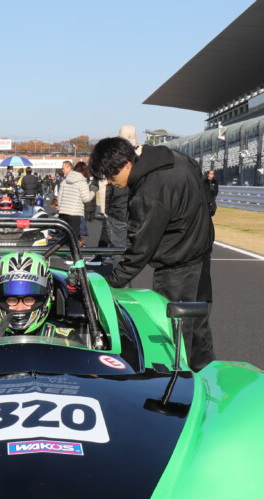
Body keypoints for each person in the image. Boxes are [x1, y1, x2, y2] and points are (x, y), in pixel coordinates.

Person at [89, 135, 216, 371]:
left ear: (125, 164)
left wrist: (110, 282)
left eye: (111, 176)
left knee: (175, 336)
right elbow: (207, 192)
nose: (111, 182)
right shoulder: (175, 158)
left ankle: (180, 384)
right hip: (200, 253)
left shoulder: (149, 191)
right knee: (198, 328)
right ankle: (207, 375)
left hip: (178, 264)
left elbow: (140, 248)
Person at [0, 252, 80, 346]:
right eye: (12, 300)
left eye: (29, 299)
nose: (20, 307)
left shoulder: (65, 338)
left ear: (45, 298)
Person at [56, 160, 95, 244]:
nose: (62, 170)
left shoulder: (64, 181)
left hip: (63, 212)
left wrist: (61, 206)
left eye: (63, 168)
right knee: (73, 238)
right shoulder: (82, 182)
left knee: (64, 237)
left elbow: (59, 198)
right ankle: (74, 251)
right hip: (74, 213)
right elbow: (86, 198)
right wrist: (93, 192)